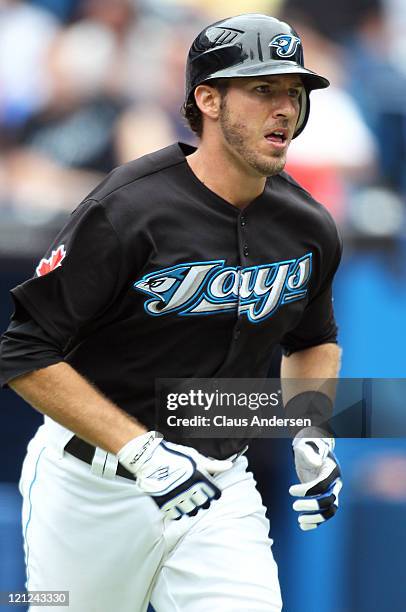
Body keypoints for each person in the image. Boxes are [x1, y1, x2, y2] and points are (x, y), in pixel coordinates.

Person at [0, 14, 343, 612]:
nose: (285, 107)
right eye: (262, 89)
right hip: (91, 488)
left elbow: (312, 339)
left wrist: (311, 434)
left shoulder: (307, 225)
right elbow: (23, 351)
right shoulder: (128, 207)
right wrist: (142, 453)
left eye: (294, 91)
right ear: (206, 99)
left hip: (220, 484)